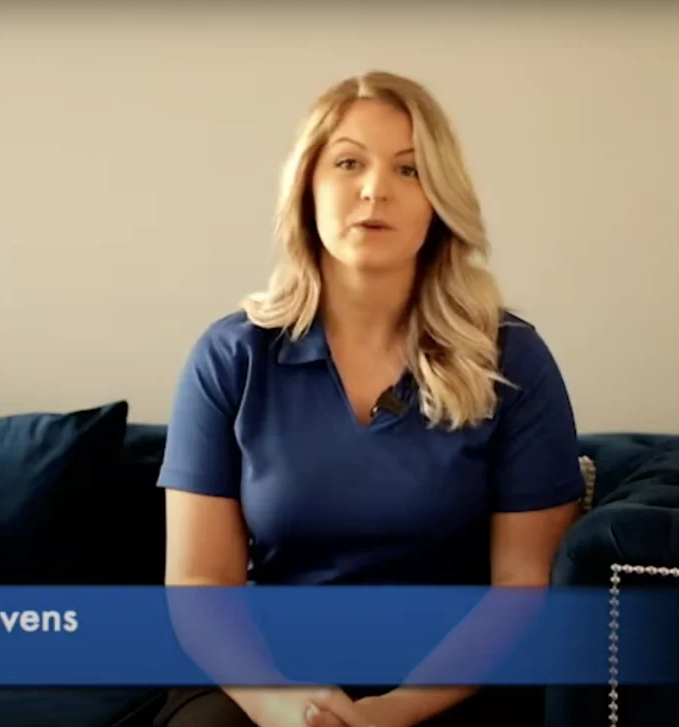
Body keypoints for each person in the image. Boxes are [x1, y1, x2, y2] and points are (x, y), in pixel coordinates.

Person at [152, 70, 585, 727]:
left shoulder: (512, 358)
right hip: (269, 678)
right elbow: (199, 587)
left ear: (439, 200)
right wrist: (280, 704)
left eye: (409, 171)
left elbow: (522, 589)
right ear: (307, 189)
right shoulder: (231, 357)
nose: (375, 188)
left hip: (452, 683)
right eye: (348, 162)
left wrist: (395, 711)